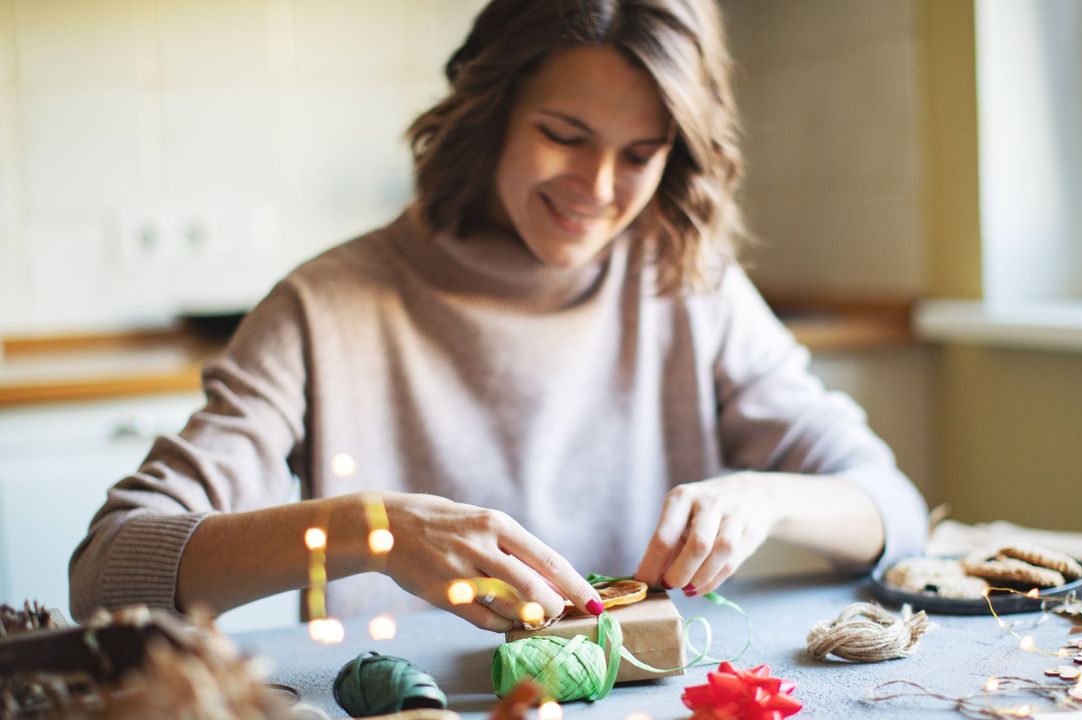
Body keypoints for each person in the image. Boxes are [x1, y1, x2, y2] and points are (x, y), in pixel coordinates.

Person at [69, 0, 928, 632]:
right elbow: (106, 572)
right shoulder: (323, 307)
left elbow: (895, 510)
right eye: (563, 133)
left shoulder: (686, 283)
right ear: (490, 116)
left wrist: (765, 498)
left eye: (638, 155)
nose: (596, 192)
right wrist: (374, 531)